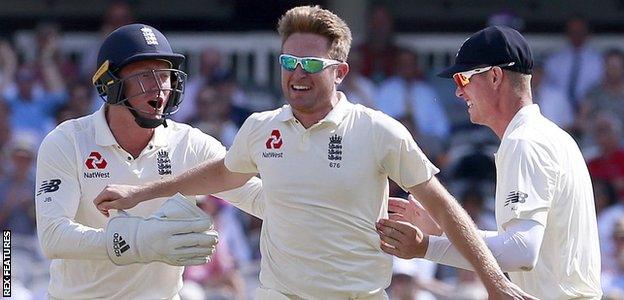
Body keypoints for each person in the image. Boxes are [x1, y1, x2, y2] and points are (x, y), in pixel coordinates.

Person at [94, 7, 533, 299]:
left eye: (310, 65)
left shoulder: (377, 130)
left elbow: (440, 203)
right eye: (288, 63)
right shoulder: (261, 127)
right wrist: (142, 192)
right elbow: (223, 175)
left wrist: (493, 281)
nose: (297, 75)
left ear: (339, 72)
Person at [35, 24, 264, 299]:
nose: (159, 88)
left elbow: (257, 197)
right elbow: (53, 237)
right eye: (145, 76)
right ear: (110, 83)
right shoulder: (67, 141)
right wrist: (138, 240)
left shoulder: (189, 144)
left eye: (165, 75)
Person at [377, 26, 602, 299]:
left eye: (463, 79)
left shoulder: (524, 142)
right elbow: (531, 247)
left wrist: (426, 246)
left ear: (495, 76)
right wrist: (445, 231)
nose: (459, 92)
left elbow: (521, 251)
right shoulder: (553, 137)